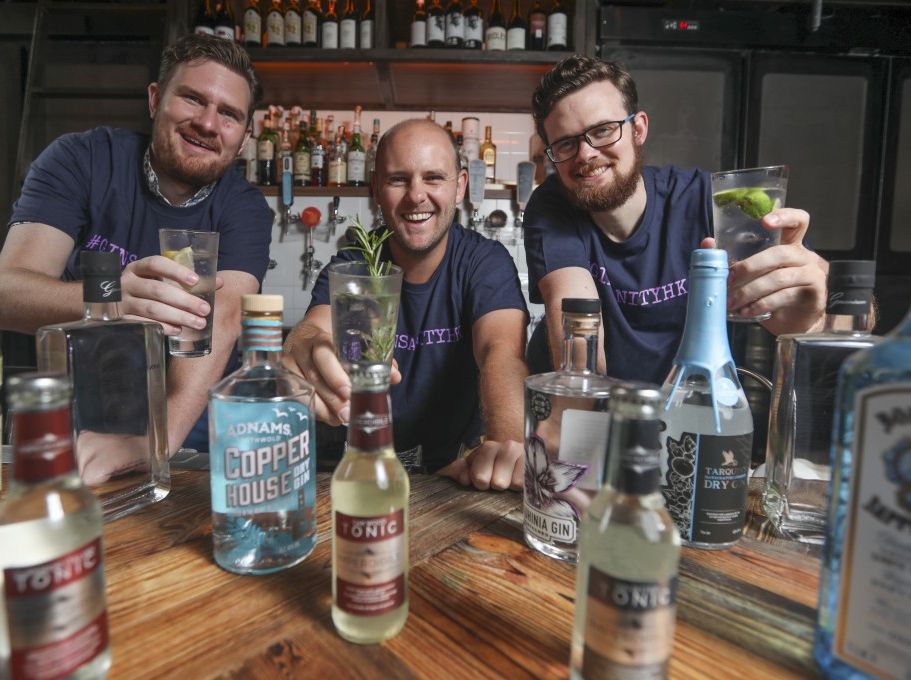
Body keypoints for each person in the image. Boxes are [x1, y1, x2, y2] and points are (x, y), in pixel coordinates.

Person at [0, 35, 273, 454]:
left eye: (228, 114)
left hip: (183, 435)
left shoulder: (245, 208)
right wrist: (111, 298)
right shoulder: (81, 160)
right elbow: (3, 296)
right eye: (192, 99)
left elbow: (224, 319)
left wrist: (154, 447)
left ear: (244, 138)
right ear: (155, 99)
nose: (208, 124)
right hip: (76, 427)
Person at [523, 55, 830, 385]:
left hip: (686, 409)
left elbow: (854, 313)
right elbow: (578, 330)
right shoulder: (552, 204)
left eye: (603, 131)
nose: (586, 155)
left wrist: (811, 320)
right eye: (566, 143)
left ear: (638, 129)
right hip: (592, 409)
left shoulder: (708, 200)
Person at [282, 118, 529, 491]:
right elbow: (315, 329)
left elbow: (502, 351)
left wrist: (507, 446)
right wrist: (304, 347)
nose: (416, 195)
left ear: (459, 187)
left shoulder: (484, 262)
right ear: (376, 190)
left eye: (433, 178)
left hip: (459, 477)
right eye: (398, 179)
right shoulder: (353, 266)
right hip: (366, 474)